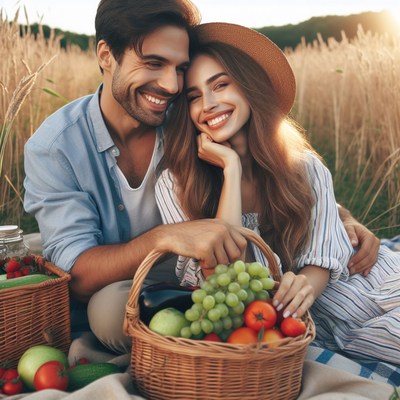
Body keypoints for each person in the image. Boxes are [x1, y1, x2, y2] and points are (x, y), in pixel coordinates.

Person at [23, 0, 378, 355]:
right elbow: (77, 276)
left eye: (179, 68)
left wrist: (341, 217)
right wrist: (167, 238)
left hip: (209, 280)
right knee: (109, 313)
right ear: (106, 55)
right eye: (153, 63)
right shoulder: (56, 147)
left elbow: (278, 172)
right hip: (137, 287)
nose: (170, 85)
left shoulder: (189, 113)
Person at [155, 22, 400, 365]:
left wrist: (305, 287)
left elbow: (322, 260)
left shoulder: (305, 168)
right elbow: (225, 281)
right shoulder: (175, 184)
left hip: (358, 285)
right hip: (311, 320)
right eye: (194, 96)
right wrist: (231, 170)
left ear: (249, 89)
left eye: (221, 85)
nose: (208, 104)